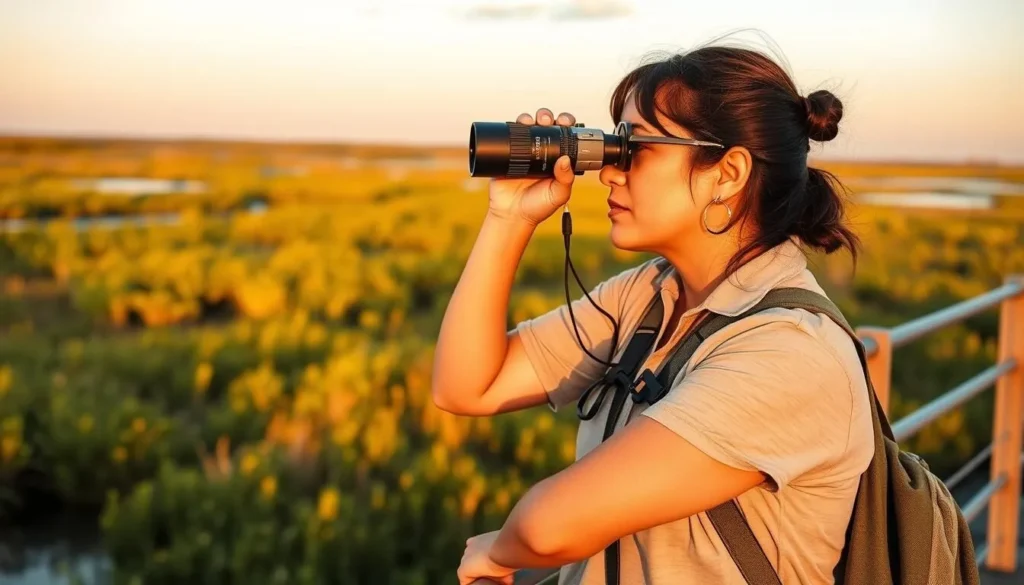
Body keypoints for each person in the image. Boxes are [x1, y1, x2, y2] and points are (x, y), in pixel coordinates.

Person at [432, 44, 875, 585]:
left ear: (728, 172)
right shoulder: (648, 296)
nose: (611, 172)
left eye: (636, 147)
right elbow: (465, 386)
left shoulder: (793, 352)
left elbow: (550, 526)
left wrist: (498, 553)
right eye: (615, 146)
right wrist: (508, 218)